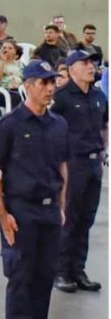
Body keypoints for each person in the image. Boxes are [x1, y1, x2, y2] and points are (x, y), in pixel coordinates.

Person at [0, 60, 68, 319]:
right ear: (28, 86)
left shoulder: (58, 124)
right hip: (21, 210)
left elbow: (63, 166)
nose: (49, 88)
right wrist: (3, 213)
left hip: (49, 210)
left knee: (44, 277)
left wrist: (62, 205)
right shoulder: (10, 125)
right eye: (43, 83)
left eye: (52, 82)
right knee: (22, 278)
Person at [51, 50, 107, 294]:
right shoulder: (62, 97)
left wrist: (104, 150)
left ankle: (78, 270)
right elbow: (49, 126)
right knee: (70, 218)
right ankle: (61, 271)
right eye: (84, 63)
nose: (91, 67)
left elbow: (105, 124)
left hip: (94, 164)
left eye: (92, 63)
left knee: (86, 218)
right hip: (73, 163)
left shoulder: (98, 96)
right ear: (72, 68)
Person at [0, 40, 25, 106]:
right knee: (17, 97)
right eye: (4, 48)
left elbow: (26, 79)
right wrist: (3, 62)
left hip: (19, 91)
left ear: (15, 51)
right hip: (3, 92)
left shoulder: (20, 64)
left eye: (10, 48)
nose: (6, 50)